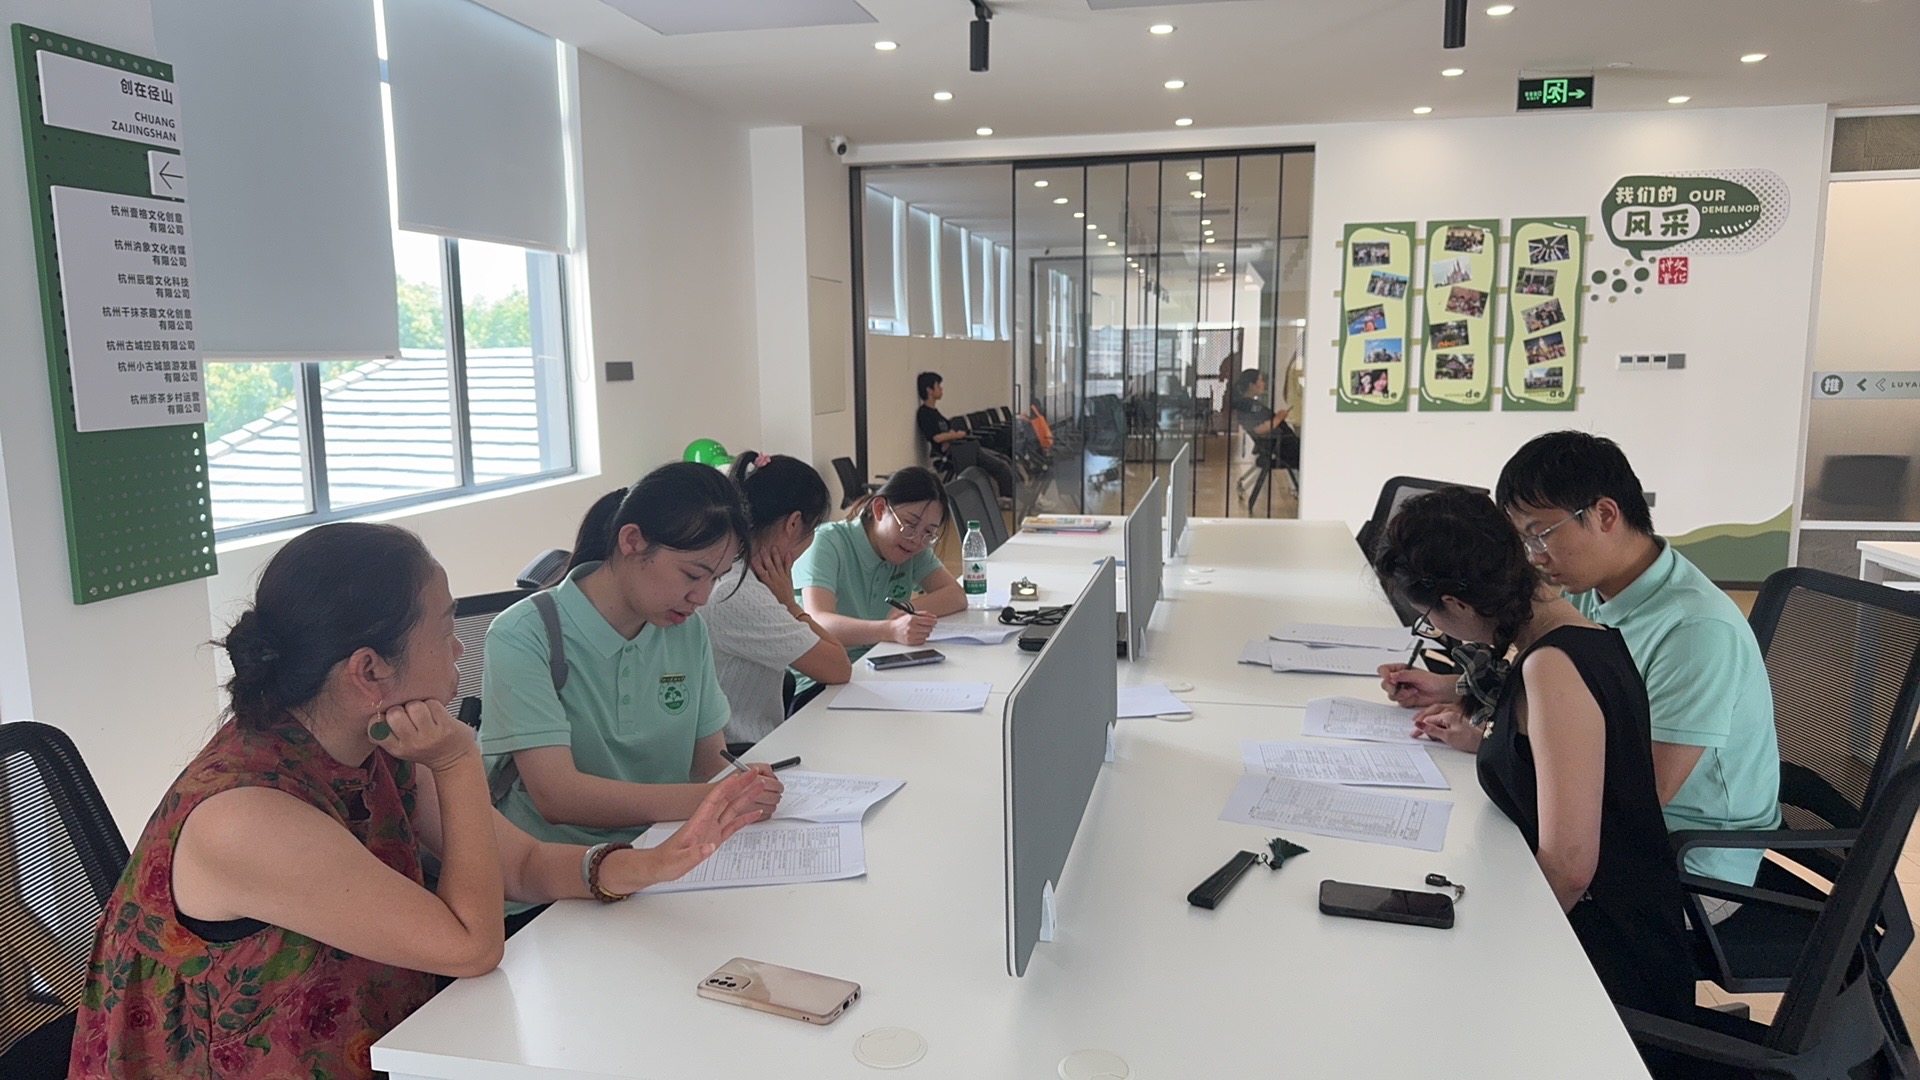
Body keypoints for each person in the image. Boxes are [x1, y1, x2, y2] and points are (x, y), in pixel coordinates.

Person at [70, 523, 768, 1080]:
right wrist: (460, 761)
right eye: (444, 627)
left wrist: (647, 864)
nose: (458, 649)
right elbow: (470, 946)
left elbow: (521, 864)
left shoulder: (378, 742)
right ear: (369, 670)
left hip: (384, 1041)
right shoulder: (246, 816)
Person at [1382, 431, 1781, 905]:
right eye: (1522, 540)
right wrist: (1451, 688)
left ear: (1605, 514)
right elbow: (1584, 699)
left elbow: (1639, 794)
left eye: (1540, 534)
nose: (1534, 557)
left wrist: (1500, 743)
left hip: (1688, 865)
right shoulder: (1594, 588)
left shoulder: (1695, 631)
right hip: (1615, 839)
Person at [1372, 488, 1689, 1024]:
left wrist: (1482, 951)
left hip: (1606, 963)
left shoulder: (1553, 667)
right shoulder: (1572, 636)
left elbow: (1570, 868)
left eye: (1430, 619)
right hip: (1591, 922)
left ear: (1458, 605)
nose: (1437, 631)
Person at [479, 463, 785, 925]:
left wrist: (739, 788)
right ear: (632, 541)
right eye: (692, 574)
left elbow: (710, 761)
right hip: (549, 891)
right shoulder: (525, 633)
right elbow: (558, 797)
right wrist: (716, 799)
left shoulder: (686, 630)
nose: (702, 597)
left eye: (716, 579)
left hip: (660, 864)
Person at [704, 451, 852, 747]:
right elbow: (839, 668)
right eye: (812, 530)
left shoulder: (734, 572)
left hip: (752, 747)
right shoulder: (740, 592)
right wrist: (790, 604)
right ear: (793, 524)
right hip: (743, 754)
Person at [793, 466, 966, 686]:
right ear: (880, 509)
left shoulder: (913, 548)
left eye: (929, 532)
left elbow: (956, 596)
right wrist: (889, 630)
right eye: (910, 524)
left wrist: (906, 608)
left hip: (878, 665)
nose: (916, 539)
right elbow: (818, 621)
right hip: (822, 679)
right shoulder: (827, 542)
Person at [916, 371, 1017, 499]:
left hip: (965, 447)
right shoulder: (924, 414)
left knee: (1005, 459)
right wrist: (955, 435)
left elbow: (948, 431)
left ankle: (1016, 494)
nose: (941, 389)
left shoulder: (935, 413)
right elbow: (937, 437)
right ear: (929, 390)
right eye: (938, 386)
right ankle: (1010, 498)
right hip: (957, 451)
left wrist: (951, 435)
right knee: (1002, 467)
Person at [1230, 368, 1298, 511]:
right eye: (1260, 380)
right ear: (1251, 385)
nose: (1263, 383)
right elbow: (1259, 429)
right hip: (1282, 446)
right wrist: (1279, 418)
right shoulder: (1250, 406)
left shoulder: (1250, 405)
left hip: (1280, 443)